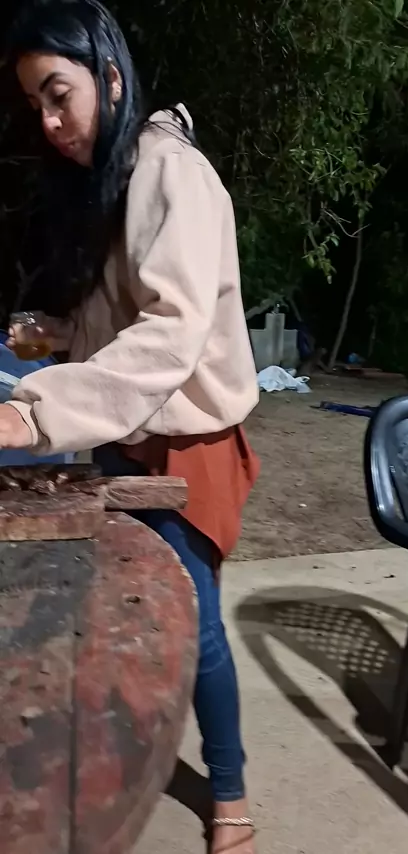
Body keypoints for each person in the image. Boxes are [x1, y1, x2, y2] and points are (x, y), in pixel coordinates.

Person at [1, 1, 260, 852]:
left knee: (194, 624)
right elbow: (118, 321)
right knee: (120, 606)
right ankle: (119, 739)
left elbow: (167, 337)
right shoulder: (115, 178)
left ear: (110, 78)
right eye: (35, 105)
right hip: (125, 429)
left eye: (59, 95)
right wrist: (57, 335)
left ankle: (230, 796)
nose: (49, 122)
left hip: (189, 441)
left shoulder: (171, 172)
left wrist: (29, 412)